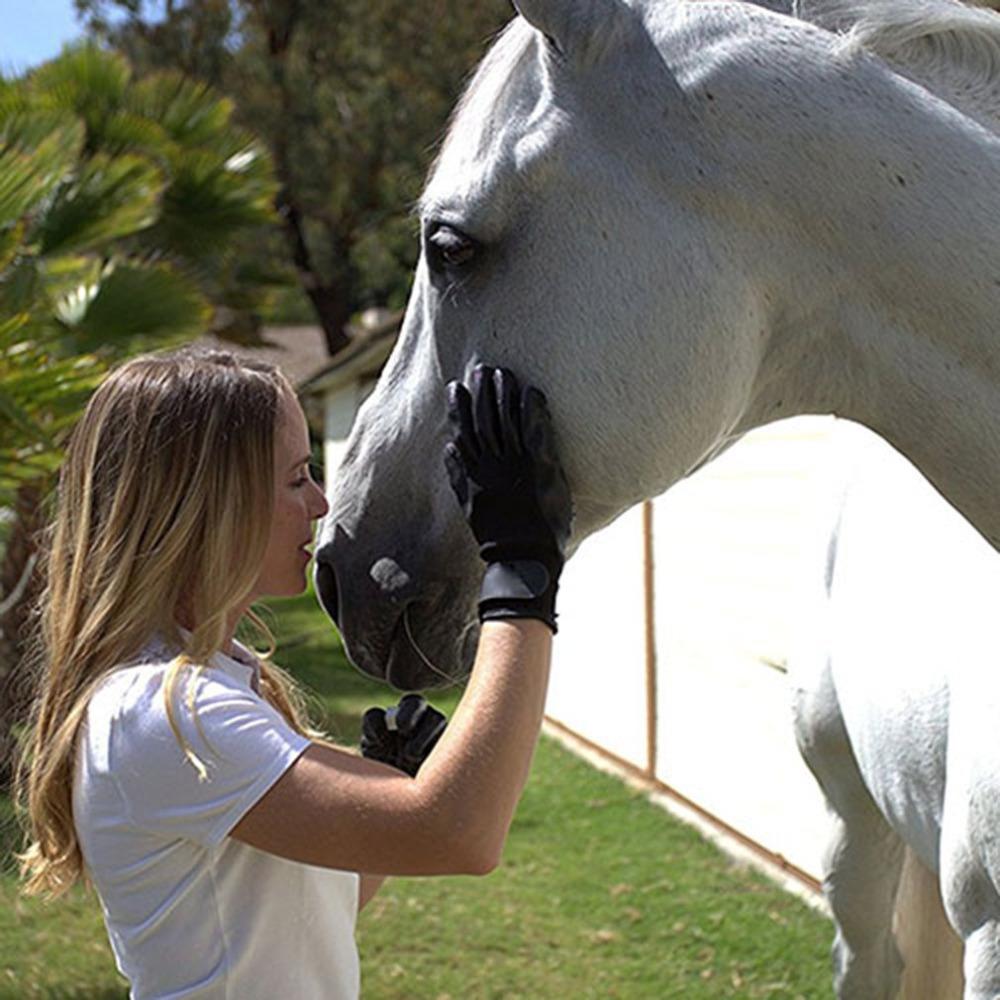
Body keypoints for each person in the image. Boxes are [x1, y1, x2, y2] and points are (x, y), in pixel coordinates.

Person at [16, 348, 572, 999]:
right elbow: (458, 836)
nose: (320, 501)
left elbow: (304, 914)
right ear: (206, 503)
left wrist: (388, 789)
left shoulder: (219, 682)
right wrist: (519, 569)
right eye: (296, 476)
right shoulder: (166, 712)